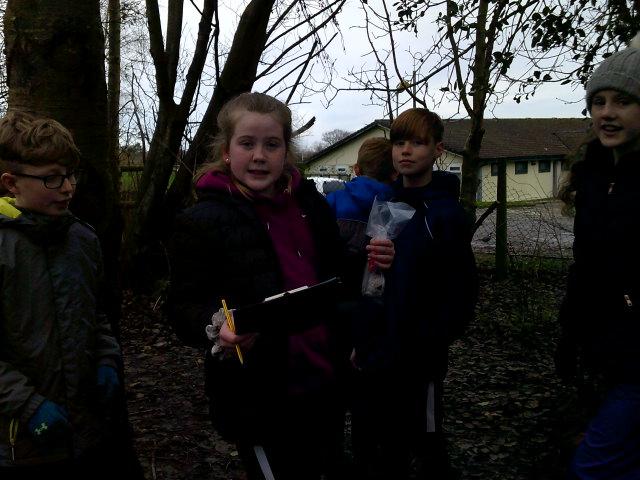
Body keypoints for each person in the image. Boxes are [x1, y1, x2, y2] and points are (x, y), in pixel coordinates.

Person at [165, 92, 393, 480]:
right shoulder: (202, 220)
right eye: (247, 144)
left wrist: (373, 260)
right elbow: (182, 304)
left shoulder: (310, 205)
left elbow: (336, 275)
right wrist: (216, 325)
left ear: (286, 152)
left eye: (271, 145)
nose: (259, 156)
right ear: (226, 152)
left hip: (324, 381)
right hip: (258, 394)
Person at [0, 112, 128, 480]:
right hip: (18, 442)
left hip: (86, 432)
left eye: (71, 174)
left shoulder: (82, 239)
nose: (68, 187)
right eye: (52, 178)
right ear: (11, 183)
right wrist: (28, 405)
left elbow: (96, 313)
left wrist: (107, 358)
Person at [353, 108, 477, 480]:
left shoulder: (446, 214)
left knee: (426, 439)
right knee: (383, 440)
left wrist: (432, 339)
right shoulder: (386, 204)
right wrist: (363, 338)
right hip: (380, 348)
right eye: (399, 142)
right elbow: (372, 281)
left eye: (418, 143)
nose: (406, 151)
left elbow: (459, 288)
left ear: (438, 149)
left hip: (421, 353)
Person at [555, 36, 640, 480]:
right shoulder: (594, 174)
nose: (607, 113)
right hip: (603, 349)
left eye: (623, 101)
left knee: (593, 467)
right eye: (598, 101)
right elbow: (587, 265)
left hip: (635, 357)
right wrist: (571, 331)